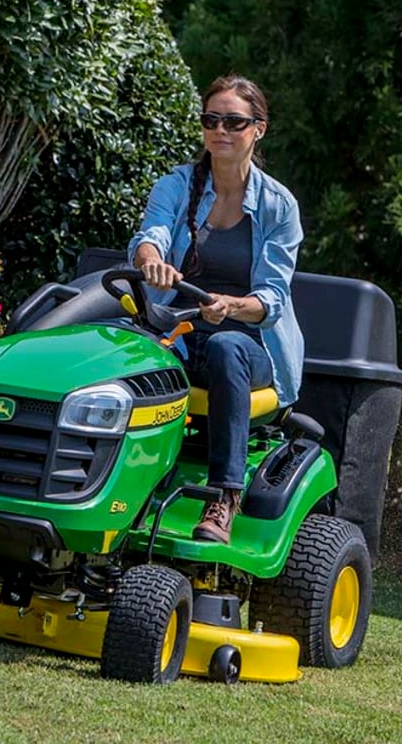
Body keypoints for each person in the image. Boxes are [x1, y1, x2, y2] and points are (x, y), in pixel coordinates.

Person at [127, 74, 304, 544]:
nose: (220, 130)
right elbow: (153, 236)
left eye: (233, 121)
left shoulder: (278, 206)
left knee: (226, 347)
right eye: (211, 119)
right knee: (128, 351)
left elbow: (271, 300)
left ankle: (224, 497)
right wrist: (151, 263)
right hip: (181, 331)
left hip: (250, 343)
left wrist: (231, 305)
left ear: (258, 129)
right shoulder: (177, 185)